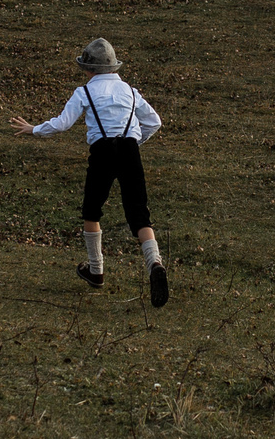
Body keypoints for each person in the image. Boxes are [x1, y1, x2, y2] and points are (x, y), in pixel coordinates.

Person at [11, 37, 169, 307]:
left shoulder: (84, 92)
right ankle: (155, 263)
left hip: (102, 152)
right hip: (130, 151)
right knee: (139, 213)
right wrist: (134, 142)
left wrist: (33, 129)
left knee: (92, 210)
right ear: (113, 66)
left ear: (88, 69)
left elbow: (62, 124)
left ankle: (96, 271)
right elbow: (154, 121)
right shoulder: (130, 91)